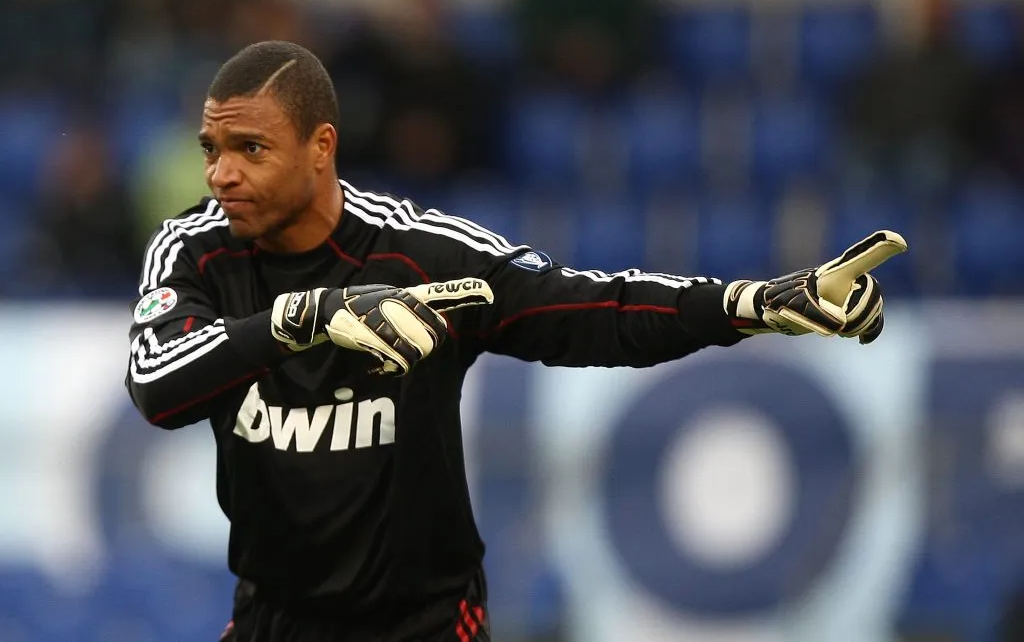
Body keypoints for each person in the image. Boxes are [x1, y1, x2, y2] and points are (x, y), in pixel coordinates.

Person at [124, 40, 905, 642]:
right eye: (211, 150)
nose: (221, 174)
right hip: (276, 618)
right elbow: (158, 383)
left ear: (321, 146)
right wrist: (304, 318)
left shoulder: (418, 252)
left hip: (423, 623)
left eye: (249, 149)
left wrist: (747, 302)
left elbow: (588, 307)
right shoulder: (193, 251)